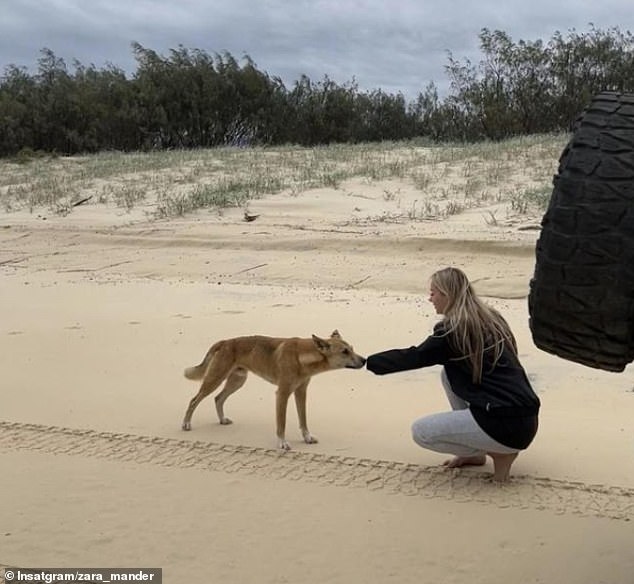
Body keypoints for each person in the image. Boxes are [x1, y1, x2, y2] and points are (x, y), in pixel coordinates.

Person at [366, 267, 540, 482]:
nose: (430, 299)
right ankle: (477, 454)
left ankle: (499, 452)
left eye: (433, 293)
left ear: (447, 294)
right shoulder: (491, 319)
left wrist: (366, 362)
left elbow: (415, 356)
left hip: (503, 425)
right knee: (448, 375)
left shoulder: (453, 331)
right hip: (526, 420)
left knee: (421, 432)